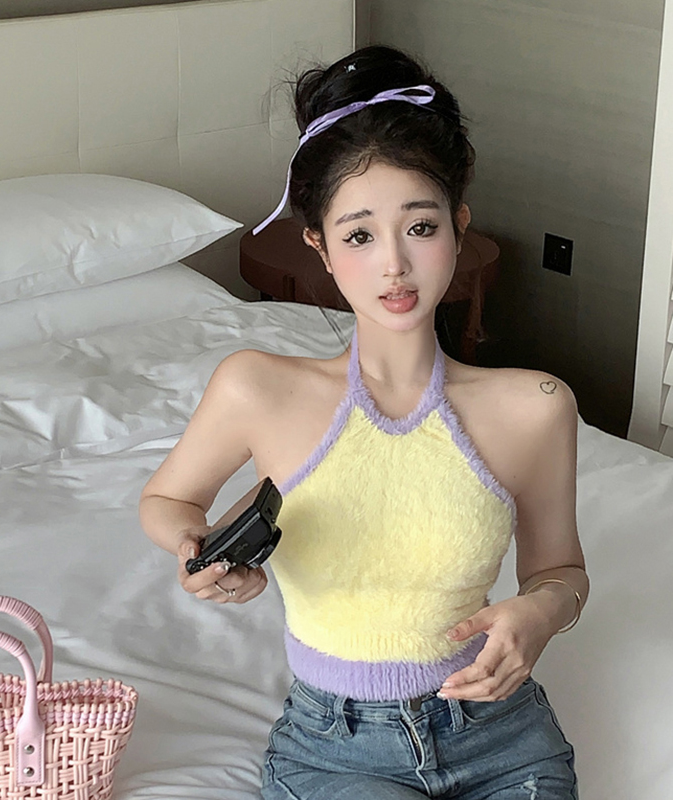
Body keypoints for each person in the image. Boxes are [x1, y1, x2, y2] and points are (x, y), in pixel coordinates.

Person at [139, 45, 589, 799]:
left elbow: (561, 573)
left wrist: (540, 613)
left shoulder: (536, 407)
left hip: (503, 736)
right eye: (358, 235)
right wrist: (197, 551)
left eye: (421, 227)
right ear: (318, 245)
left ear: (459, 226)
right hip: (335, 751)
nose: (394, 265)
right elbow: (166, 500)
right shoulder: (257, 389)